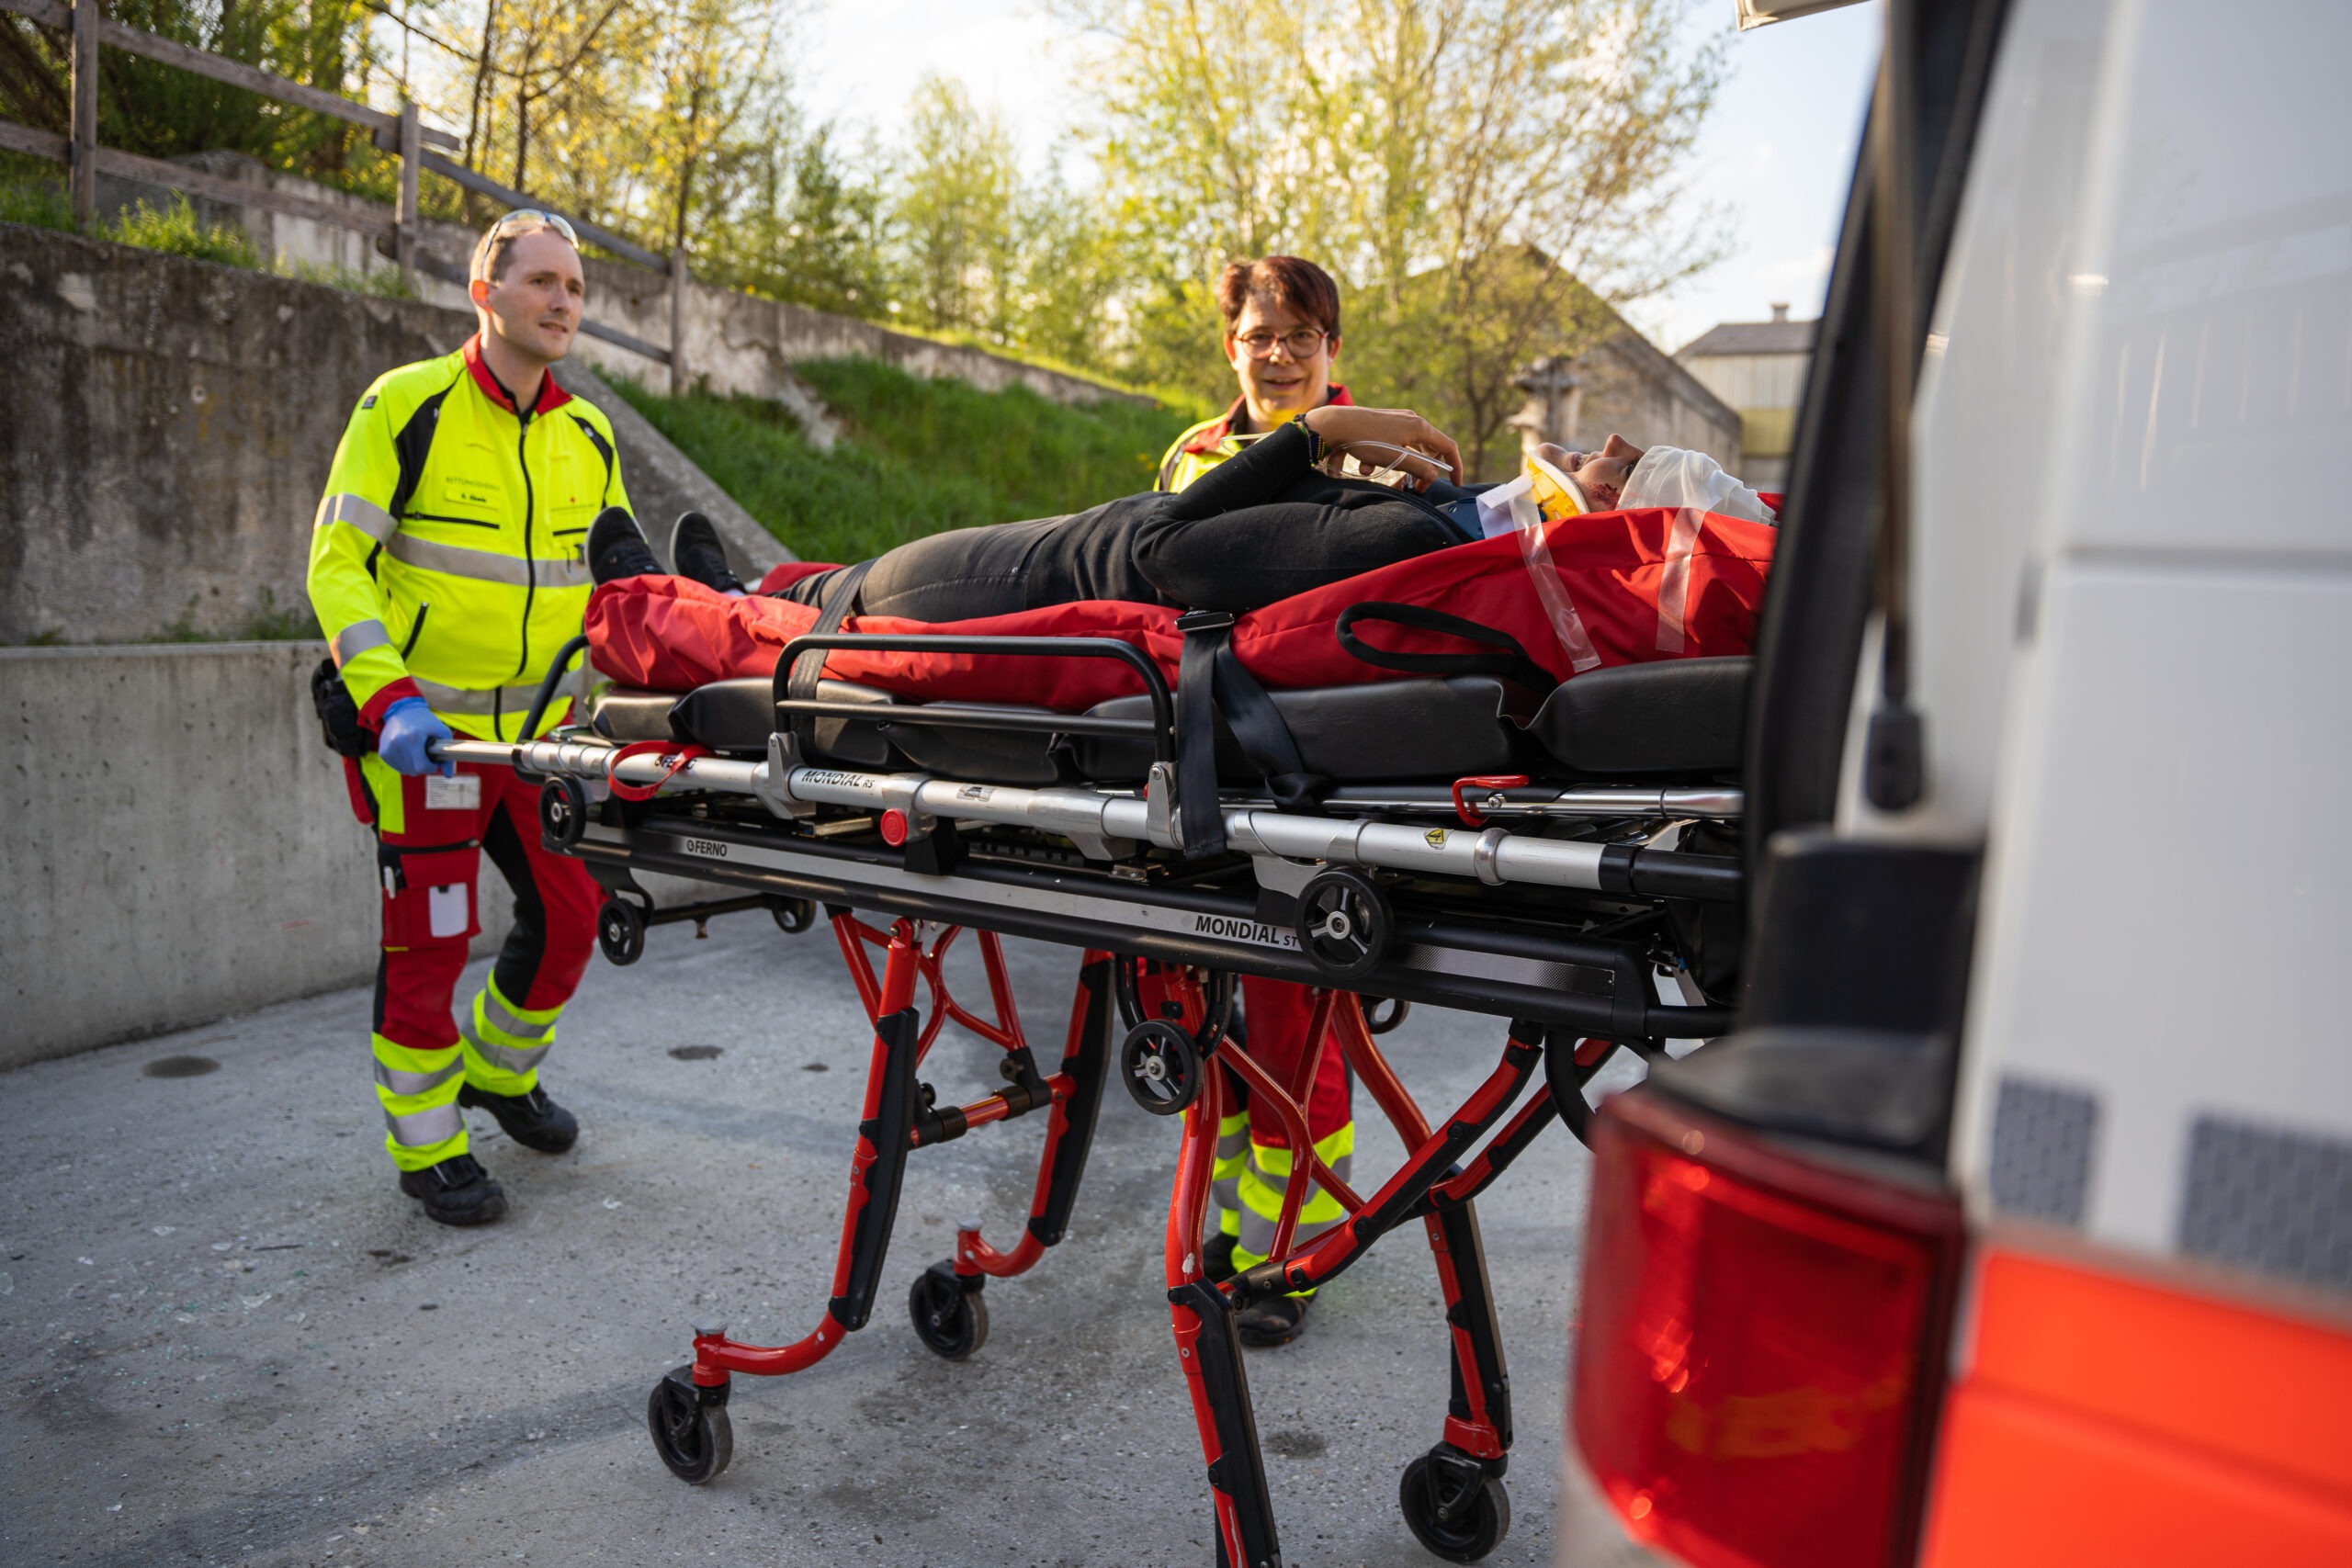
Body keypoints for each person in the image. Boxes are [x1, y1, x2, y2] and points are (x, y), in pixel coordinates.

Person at [309, 209, 630, 1226]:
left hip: (535, 745)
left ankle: (498, 1076)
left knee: (573, 916)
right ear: (484, 295)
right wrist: (389, 699)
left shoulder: (588, 433)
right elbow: (336, 566)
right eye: (540, 282)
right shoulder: (406, 405)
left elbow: (617, 589)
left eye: (573, 288)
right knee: (432, 941)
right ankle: (428, 1145)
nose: (561, 302)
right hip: (429, 742)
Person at [1157, 256, 1356, 492]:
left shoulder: (1383, 460)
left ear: (1332, 348)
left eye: (1302, 335)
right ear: (1232, 351)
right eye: (1259, 336)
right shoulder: (1189, 451)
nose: (1280, 355)